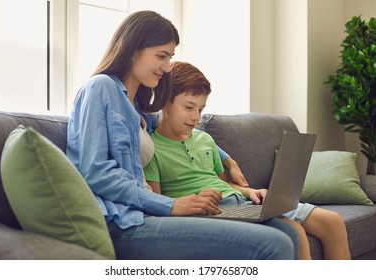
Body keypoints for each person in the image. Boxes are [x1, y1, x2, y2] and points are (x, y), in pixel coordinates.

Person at [66, 10, 299, 260]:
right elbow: (95, 172)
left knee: (287, 231)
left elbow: (180, 132)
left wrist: (227, 160)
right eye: (161, 56)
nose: (167, 68)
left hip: (149, 214)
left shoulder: (140, 110)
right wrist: (171, 205)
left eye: (170, 57)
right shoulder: (100, 87)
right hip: (124, 222)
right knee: (275, 244)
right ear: (133, 50)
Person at [144, 61, 351, 260]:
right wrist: (195, 199)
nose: (196, 117)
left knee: (324, 223)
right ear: (164, 102)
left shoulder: (205, 139)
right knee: (294, 232)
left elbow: (224, 183)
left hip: (240, 202)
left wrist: (252, 192)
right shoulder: (153, 149)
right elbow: (160, 204)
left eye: (201, 109)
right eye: (189, 107)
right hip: (210, 213)